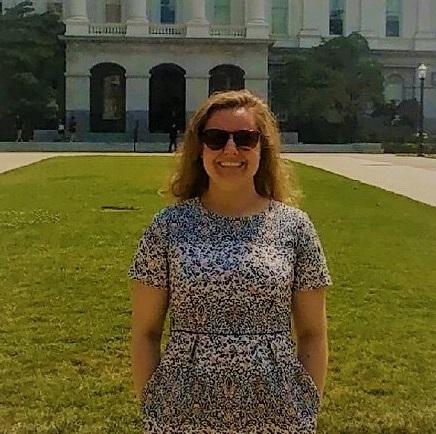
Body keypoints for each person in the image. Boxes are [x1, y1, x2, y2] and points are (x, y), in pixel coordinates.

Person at [128, 89, 333, 433]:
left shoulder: (295, 227)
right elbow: (145, 333)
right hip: (181, 413)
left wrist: (306, 407)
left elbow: (313, 333)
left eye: (245, 138)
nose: (230, 149)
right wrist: (153, 406)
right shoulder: (167, 227)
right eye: (216, 138)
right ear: (200, 148)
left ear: (262, 147)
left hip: (278, 413)